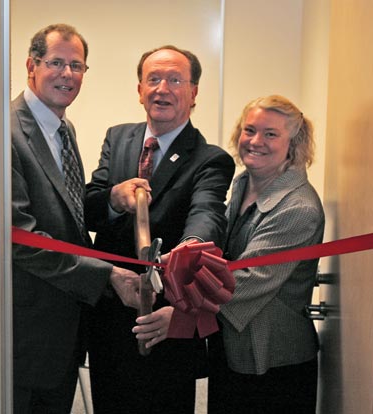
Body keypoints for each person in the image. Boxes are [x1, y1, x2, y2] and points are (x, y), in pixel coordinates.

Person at [0, 23, 141, 414]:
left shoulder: (62, 130)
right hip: (7, 336)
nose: (67, 74)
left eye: (77, 66)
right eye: (56, 63)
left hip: (54, 340)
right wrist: (106, 274)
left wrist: (113, 201)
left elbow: (62, 213)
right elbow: (17, 236)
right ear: (31, 66)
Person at [85, 45, 235, 413]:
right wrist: (112, 199)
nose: (162, 88)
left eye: (174, 79)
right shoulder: (117, 137)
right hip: (111, 322)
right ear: (139, 89)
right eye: (153, 79)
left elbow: (206, 215)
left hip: (168, 321)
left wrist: (190, 249)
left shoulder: (210, 159)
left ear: (194, 92)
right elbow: (88, 212)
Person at [207, 95, 325, 413]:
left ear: (294, 144)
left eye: (270, 134)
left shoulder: (298, 208)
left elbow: (245, 281)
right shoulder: (244, 183)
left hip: (274, 360)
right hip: (232, 347)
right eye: (249, 130)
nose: (255, 141)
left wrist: (181, 314)